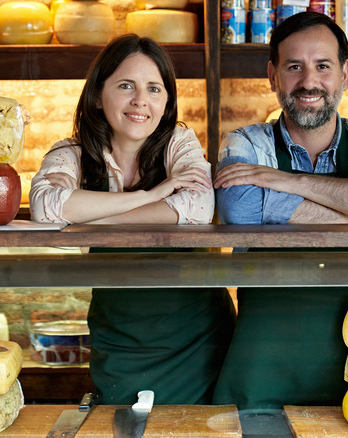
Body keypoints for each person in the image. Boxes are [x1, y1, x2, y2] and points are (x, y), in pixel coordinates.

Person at [212, 12, 348, 410]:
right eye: (294, 67)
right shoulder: (245, 141)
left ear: (344, 74)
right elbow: (239, 206)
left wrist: (290, 182)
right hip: (261, 362)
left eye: (322, 66)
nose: (309, 82)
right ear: (273, 75)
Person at [30, 34, 236, 405]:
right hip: (118, 334)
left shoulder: (180, 144)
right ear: (97, 95)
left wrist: (84, 218)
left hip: (197, 336)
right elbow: (45, 207)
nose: (141, 100)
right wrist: (149, 196)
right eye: (126, 85)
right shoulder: (71, 153)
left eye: (154, 88)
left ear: (167, 101)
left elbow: (200, 207)